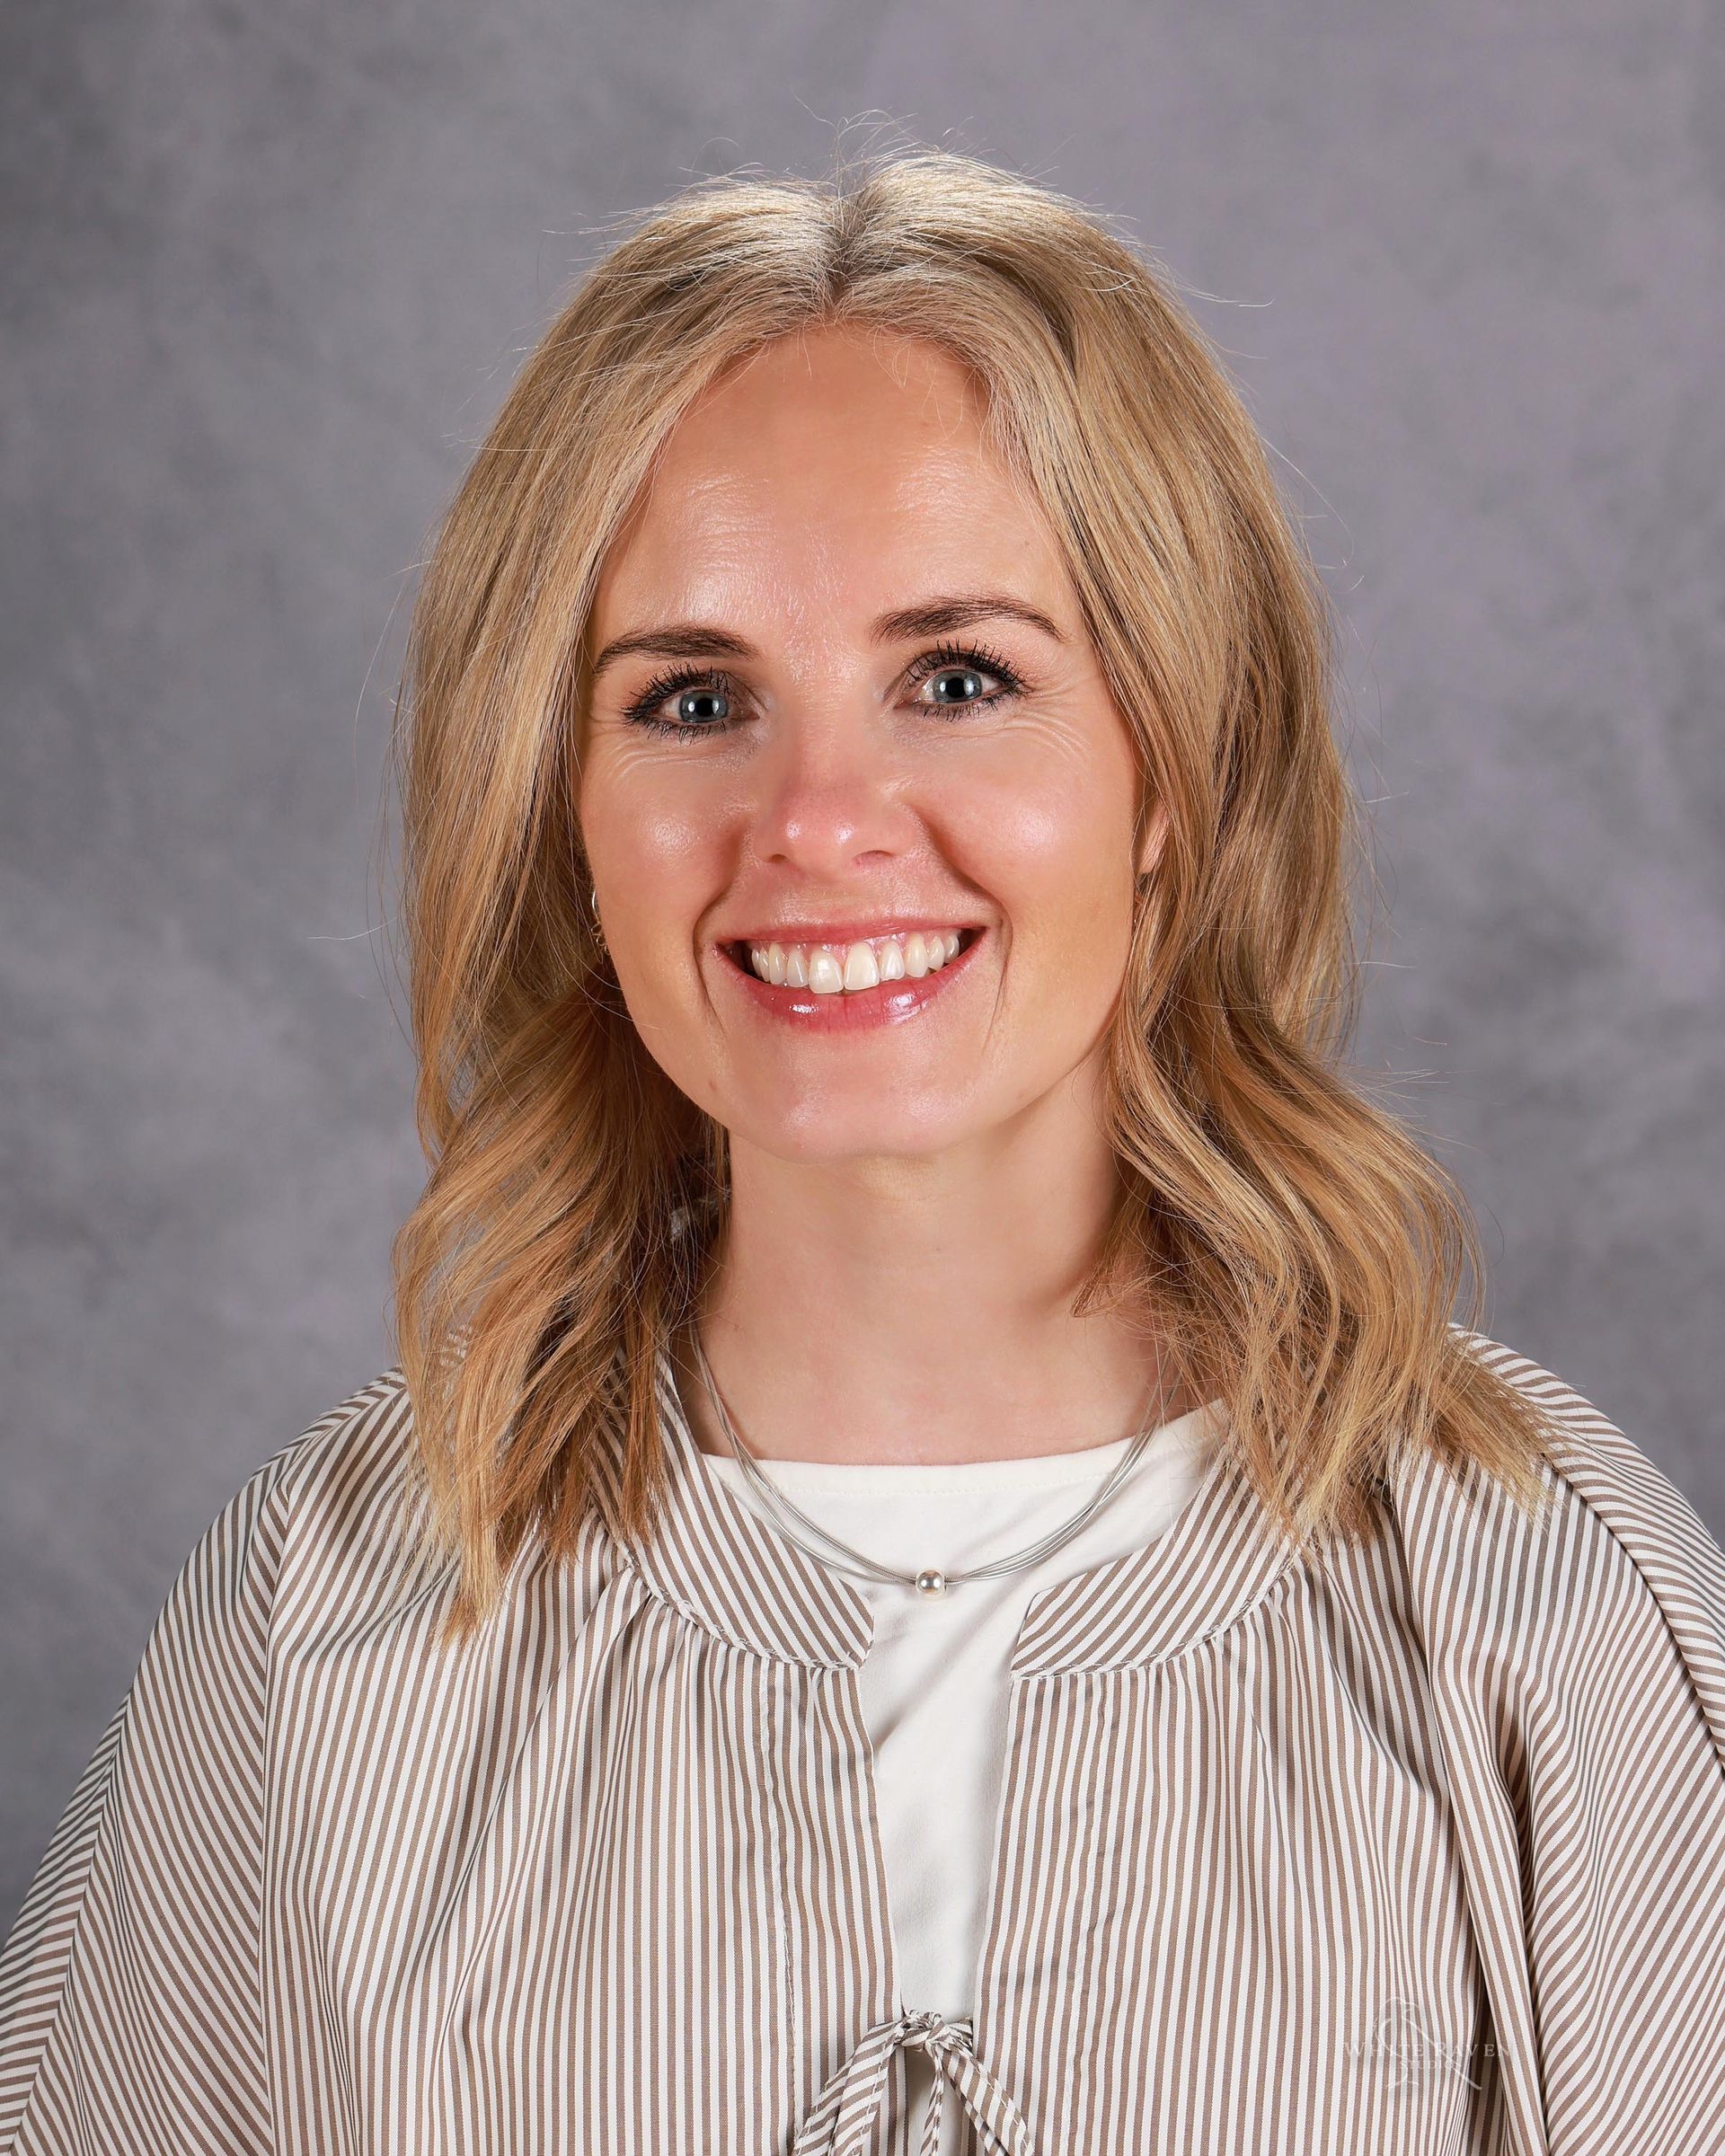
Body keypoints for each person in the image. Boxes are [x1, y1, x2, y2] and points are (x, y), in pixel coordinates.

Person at [3, 147, 1722, 2156]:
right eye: (694, 698)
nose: (819, 821)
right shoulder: (330, 1617)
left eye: (960, 679)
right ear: (565, 805)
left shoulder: (1531, 1590)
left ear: (1178, 767)